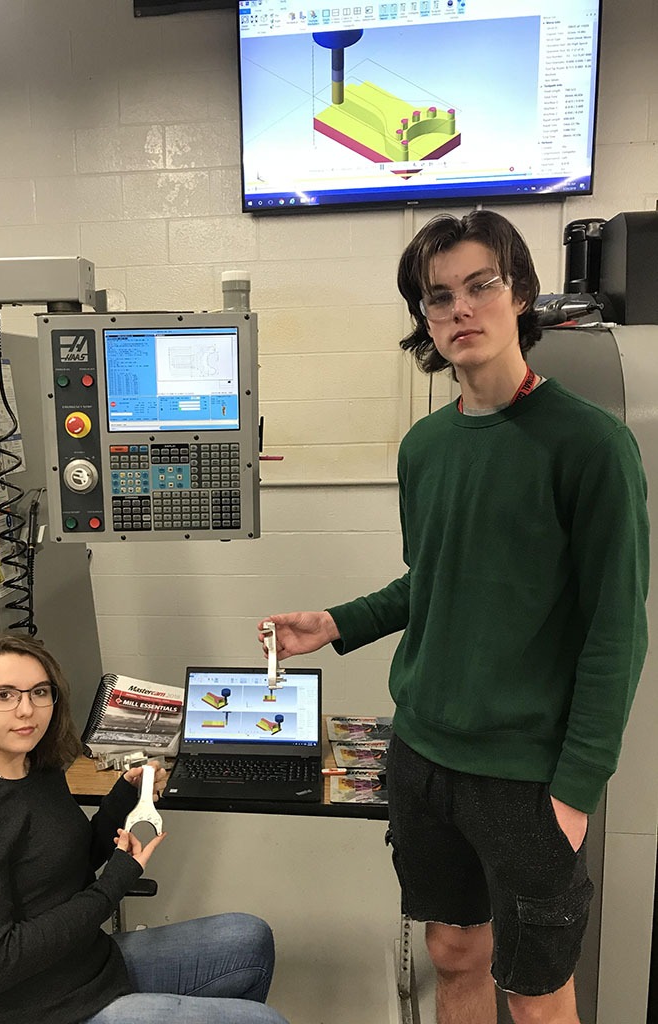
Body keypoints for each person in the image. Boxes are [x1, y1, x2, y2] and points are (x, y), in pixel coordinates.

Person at [258, 210, 649, 1024]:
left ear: (521, 296)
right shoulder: (425, 448)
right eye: (438, 297)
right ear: (424, 320)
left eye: (481, 285)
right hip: (422, 756)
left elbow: (617, 630)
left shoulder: (591, 446)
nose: (460, 310)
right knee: (453, 953)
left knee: (537, 995)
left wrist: (576, 788)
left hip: (525, 776)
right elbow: (431, 582)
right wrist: (334, 623)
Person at [0, 632, 289, 1024]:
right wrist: (114, 884)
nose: (27, 710)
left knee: (249, 936)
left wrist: (123, 798)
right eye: (4, 695)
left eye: (39, 692)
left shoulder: (34, 767)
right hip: (34, 1009)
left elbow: (67, 862)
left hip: (84, 968)